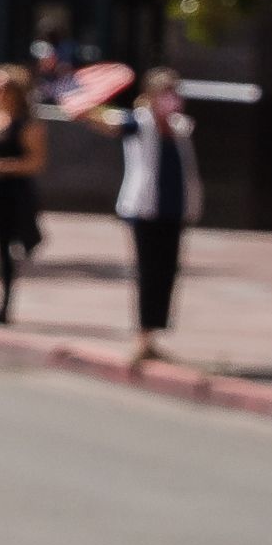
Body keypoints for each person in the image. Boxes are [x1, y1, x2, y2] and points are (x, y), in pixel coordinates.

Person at [94, 65, 199, 367]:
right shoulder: (138, 123)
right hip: (144, 210)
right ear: (151, 95)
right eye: (166, 92)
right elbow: (109, 123)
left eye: (174, 92)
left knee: (168, 272)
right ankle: (142, 337)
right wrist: (86, 107)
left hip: (175, 209)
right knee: (148, 271)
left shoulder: (180, 128)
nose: (172, 98)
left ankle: (153, 334)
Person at [0, 61, 47, 325]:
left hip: (11, 192)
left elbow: (36, 162)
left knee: (4, 248)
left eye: (2, 88)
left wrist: (3, 166)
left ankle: (4, 306)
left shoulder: (27, 125)